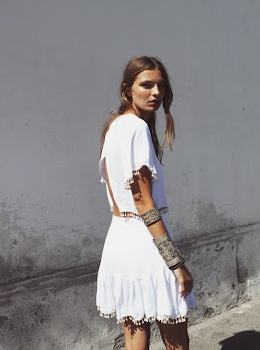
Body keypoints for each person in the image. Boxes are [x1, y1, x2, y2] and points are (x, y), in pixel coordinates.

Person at [97, 56, 196, 350]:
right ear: (127, 89)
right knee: (176, 339)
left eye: (161, 86)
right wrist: (176, 262)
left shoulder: (114, 127)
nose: (156, 93)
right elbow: (143, 202)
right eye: (147, 85)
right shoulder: (137, 128)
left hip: (118, 241)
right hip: (145, 243)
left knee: (135, 337)